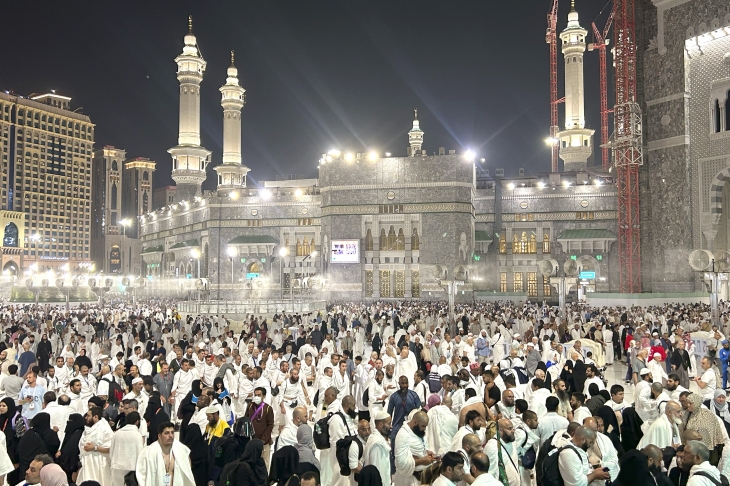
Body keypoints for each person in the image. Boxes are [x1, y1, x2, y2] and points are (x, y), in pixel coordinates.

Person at [136, 421, 196, 486]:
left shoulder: (182, 450)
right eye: (166, 433)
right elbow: (142, 476)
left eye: (172, 433)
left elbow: (188, 472)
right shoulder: (148, 452)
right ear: (159, 436)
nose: (170, 436)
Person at [394, 411, 435, 486]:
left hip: (422, 477)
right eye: (423, 426)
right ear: (415, 422)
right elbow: (401, 463)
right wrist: (422, 461)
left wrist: (426, 452)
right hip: (408, 479)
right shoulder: (403, 435)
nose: (424, 429)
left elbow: (420, 447)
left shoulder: (418, 432)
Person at [684, 393, 726, 465]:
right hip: (691, 450)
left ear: (696, 403)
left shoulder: (707, 415)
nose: (688, 405)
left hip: (707, 450)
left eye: (690, 403)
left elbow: (710, 433)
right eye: (687, 403)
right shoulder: (687, 414)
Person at [76, 407, 114, 486]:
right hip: (87, 463)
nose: (86, 418)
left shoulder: (105, 429)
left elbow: (111, 447)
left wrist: (95, 448)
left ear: (95, 417)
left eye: (88, 416)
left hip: (99, 464)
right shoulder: (87, 429)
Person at [17, 413, 60, 479]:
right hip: (41, 469)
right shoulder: (49, 434)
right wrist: (54, 433)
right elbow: (54, 445)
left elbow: (20, 449)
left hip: (24, 468)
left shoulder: (28, 434)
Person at [109, 411, 144, 486]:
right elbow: (140, 454)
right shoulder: (137, 435)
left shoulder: (117, 433)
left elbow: (111, 451)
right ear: (137, 422)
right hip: (131, 469)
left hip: (116, 467)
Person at [244, 387, 275, 471]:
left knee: (264, 464)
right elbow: (246, 420)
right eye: (255, 395)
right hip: (251, 441)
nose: (256, 397)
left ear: (264, 396)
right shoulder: (250, 406)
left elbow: (270, 425)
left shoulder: (268, 409)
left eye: (259, 395)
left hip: (263, 442)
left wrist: (263, 440)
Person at [485, 419, 519, 486]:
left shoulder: (512, 442)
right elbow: (490, 472)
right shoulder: (493, 446)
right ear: (500, 430)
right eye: (509, 429)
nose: (513, 431)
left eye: (513, 428)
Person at [362, 411, 392, 486]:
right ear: (381, 424)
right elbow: (378, 471)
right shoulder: (377, 444)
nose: (391, 426)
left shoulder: (376, 438)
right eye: (389, 423)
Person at [56, 413, 86, 484]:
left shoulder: (79, 435)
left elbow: (75, 453)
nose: (68, 423)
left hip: (71, 470)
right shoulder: (72, 433)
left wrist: (75, 470)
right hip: (66, 468)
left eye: (71, 420)